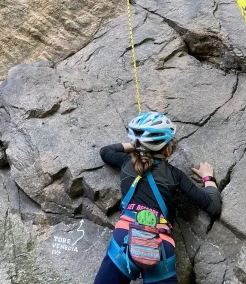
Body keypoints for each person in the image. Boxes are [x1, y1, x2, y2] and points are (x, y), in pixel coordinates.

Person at [94, 111, 221, 283]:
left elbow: (105, 151)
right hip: (160, 245)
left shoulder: (126, 162)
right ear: (167, 149)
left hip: (124, 239)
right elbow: (213, 206)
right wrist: (208, 178)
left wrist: (137, 144)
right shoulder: (175, 175)